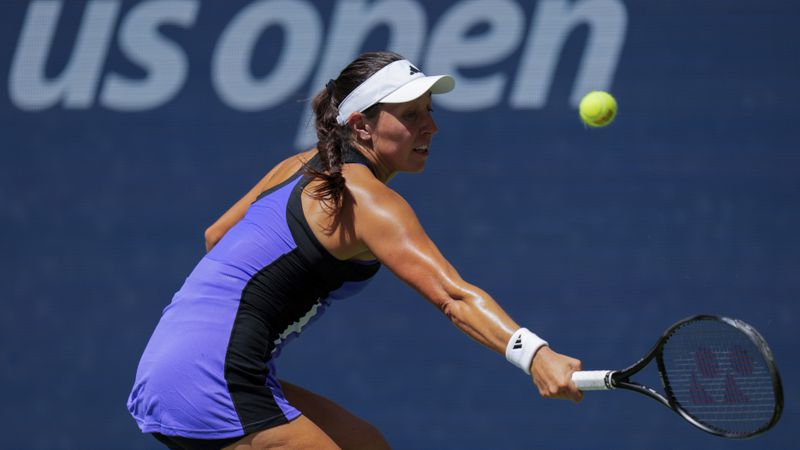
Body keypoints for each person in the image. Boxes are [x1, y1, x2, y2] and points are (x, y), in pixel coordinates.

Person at [128, 51, 583, 450]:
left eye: (429, 110)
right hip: (209, 377)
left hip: (176, 361)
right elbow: (454, 297)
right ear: (361, 125)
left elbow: (215, 237)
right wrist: (535, 355)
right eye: (410, 115)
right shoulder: (369, 200)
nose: (432, 126)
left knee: (365, 444)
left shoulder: (298, 166)